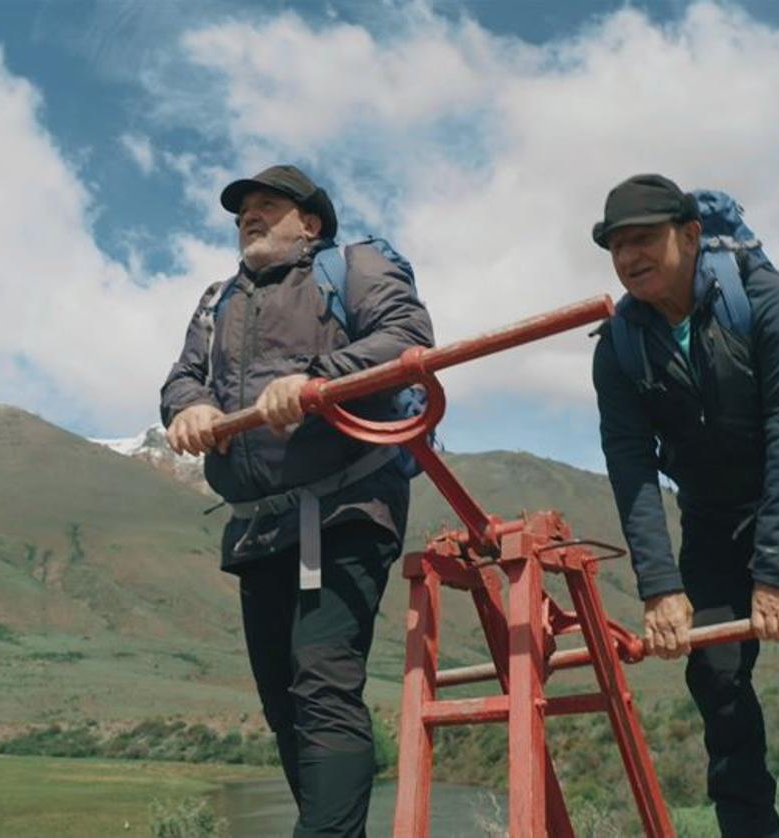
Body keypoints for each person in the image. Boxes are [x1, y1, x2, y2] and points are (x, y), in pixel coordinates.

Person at [590, 173, 779, 837]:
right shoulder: (618, 348)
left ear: (690, 236)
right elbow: (631, 468)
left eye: (645, 240)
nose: (629, 257)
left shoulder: (774, 303)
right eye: (616, 246)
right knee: (716, 675)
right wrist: (661, 588)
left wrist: (777, 570)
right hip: (716, 514)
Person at [160, 164, 434, 836]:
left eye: (267, 205)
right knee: (283, 703)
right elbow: (183, 378)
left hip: (344, 509)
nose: (248, 216)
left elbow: (407, 338)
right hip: (258, 527)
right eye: (242, 211)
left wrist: (317, 380)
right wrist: (190, 406)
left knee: (322, 684)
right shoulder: (215, 302)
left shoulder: (353, 267)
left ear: (308, 221)